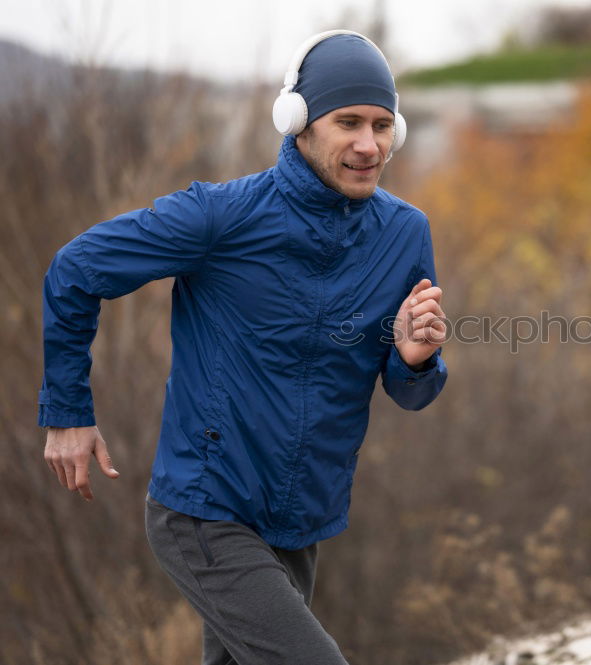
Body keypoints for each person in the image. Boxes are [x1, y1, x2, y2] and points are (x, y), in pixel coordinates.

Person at [38, 30, 447, 664]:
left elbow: (407, 391)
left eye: (382, 125)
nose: (369, 145)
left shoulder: (403, 233)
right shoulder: (220, 218)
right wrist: (67, 410)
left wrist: (414, 361)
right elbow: (75, 269)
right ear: (298, 121)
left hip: (302, 519)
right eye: (348, 123)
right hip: (206, 511)